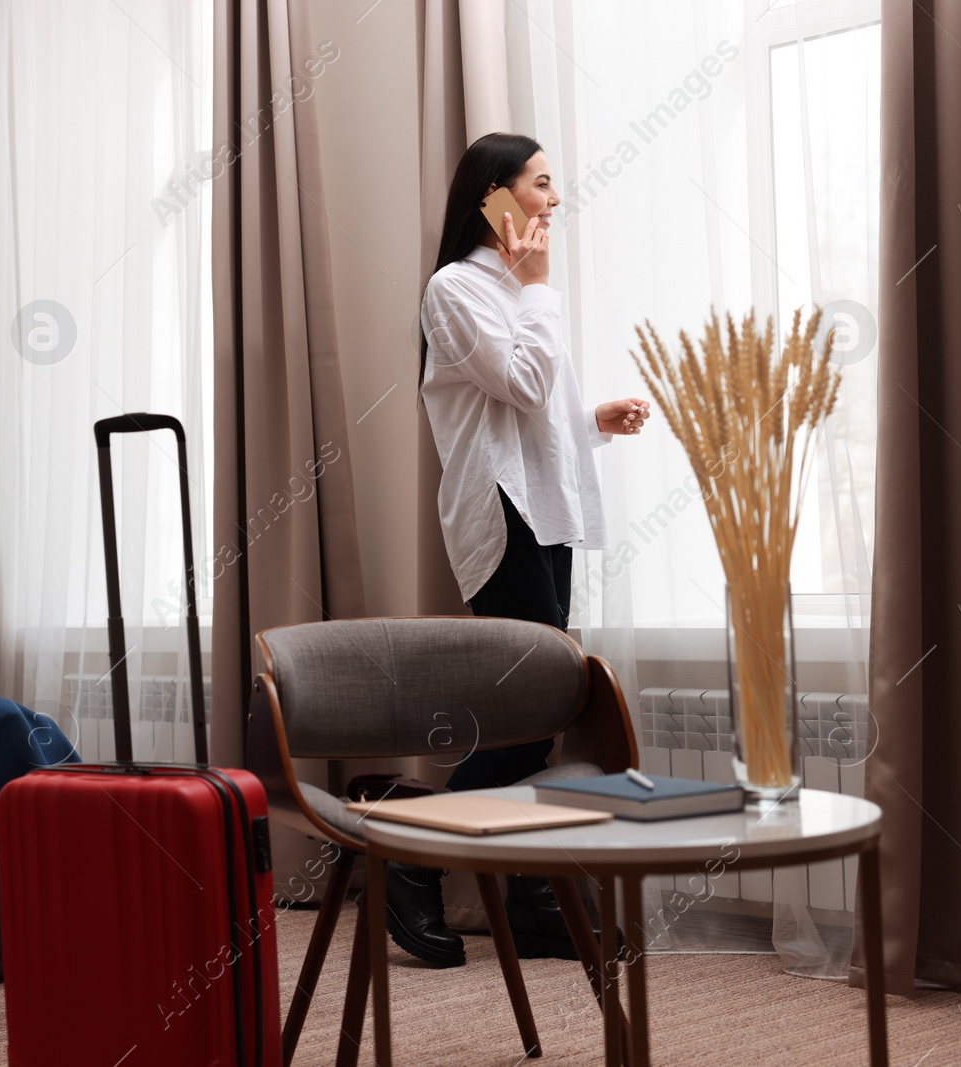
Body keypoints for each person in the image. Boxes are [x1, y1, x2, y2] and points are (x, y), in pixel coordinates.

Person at [393, 132, 651, 968]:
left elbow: (529, 416)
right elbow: (524, 383)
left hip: (545, 513)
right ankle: (411, 855)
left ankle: (529, 894)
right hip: (500, 519)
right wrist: (539, 292)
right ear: (494, 196)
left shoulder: (514, 290)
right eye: (541, 184)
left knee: (533, 715)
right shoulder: (457, 288)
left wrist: (592, 424)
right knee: (533, 711)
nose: (554, 199)